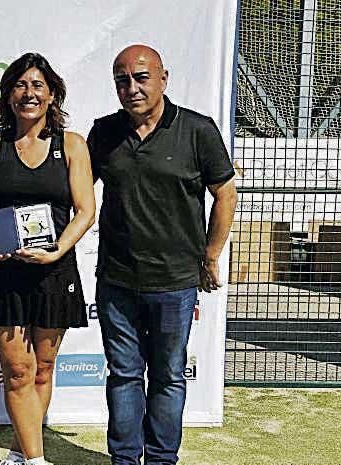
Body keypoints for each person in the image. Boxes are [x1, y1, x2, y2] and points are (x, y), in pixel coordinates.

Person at [87, 44, 237, 465]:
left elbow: (225, 194)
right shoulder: (103, 132)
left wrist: (210, 256)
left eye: (140, 77)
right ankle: (124, 459)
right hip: (116, 280)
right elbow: (77, 194)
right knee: (123, 376)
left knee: (169, 378)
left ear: (163, 79)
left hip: (176, 282)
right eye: (122, 80)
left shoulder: (197, 130)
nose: (131, 88)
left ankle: (160, 460)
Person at [0, 52, 96, 465]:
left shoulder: (71, 145)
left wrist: (57, 248)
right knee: (18, 369)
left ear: (52, 95)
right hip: (2, 273)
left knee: (42, 369)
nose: (29, 93)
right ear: (8, 95)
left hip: (54, 270)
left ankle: (20, 453)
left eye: (38, 85)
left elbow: (85, 210)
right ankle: (36, 461)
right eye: (20, 85)